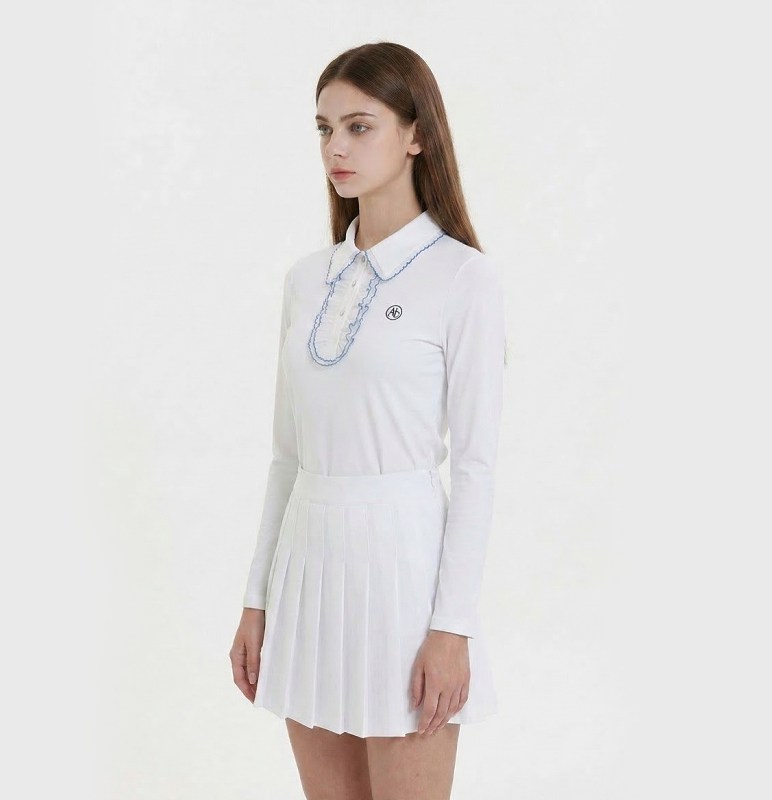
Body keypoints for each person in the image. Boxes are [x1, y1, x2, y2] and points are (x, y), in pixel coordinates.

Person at [229, 41, 507, 800]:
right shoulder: (306, 280)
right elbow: (286, 457)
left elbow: (476, 468)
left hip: (403, 579)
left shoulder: (463, 278)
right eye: (324, 129)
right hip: (306, 574)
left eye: (359, 126)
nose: (336, 149)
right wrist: (257, 599)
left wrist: (452, 627)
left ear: (415, 134)